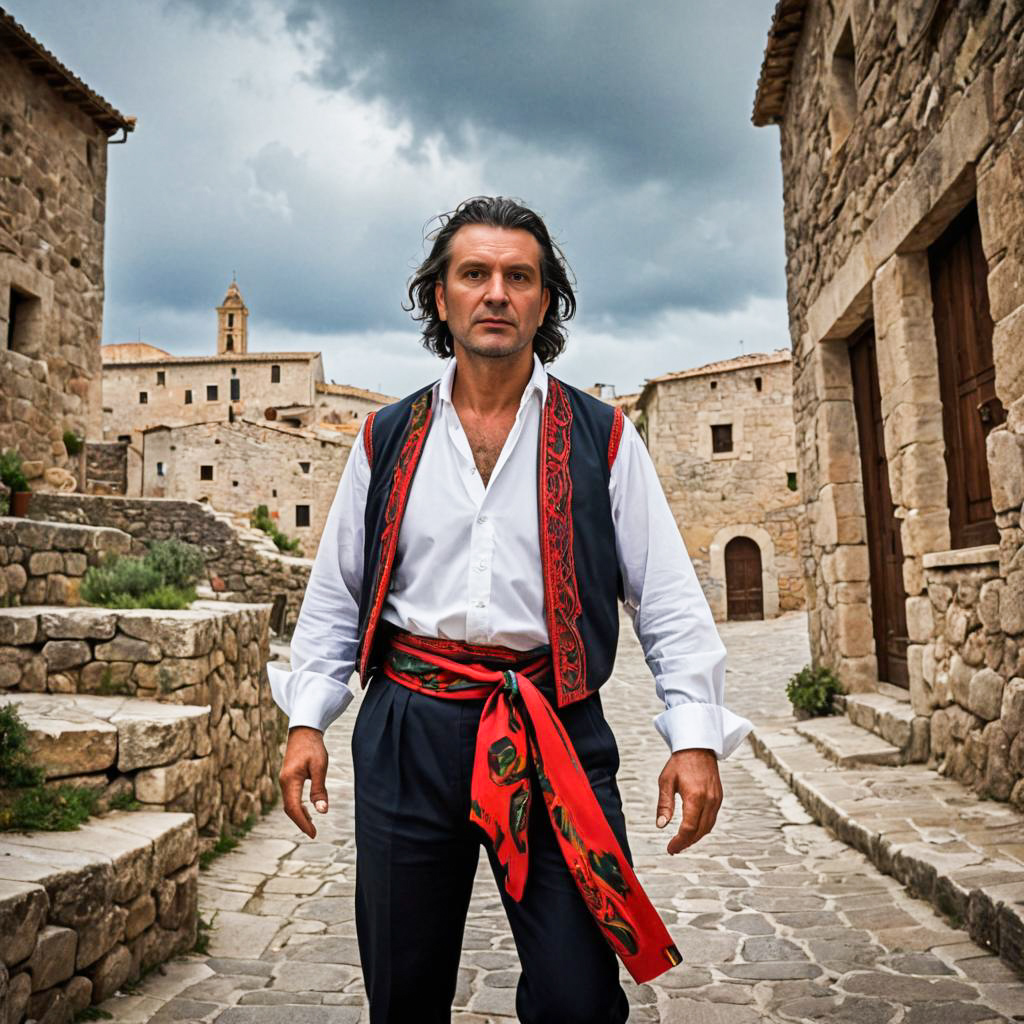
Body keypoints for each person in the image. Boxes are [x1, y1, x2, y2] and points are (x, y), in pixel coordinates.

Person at [267, 195, 753, 1023]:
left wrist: (696, 736)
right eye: (475, 274)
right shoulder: (386, 437)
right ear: (440, 297)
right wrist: (308, 719)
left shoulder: (601, 436)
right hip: (407, 730)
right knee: (404, 989)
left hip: (555, 723)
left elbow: (666, 594)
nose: (496, 292)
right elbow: (337, 593)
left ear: (544, 301)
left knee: (579, 997)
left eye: (518, 277)